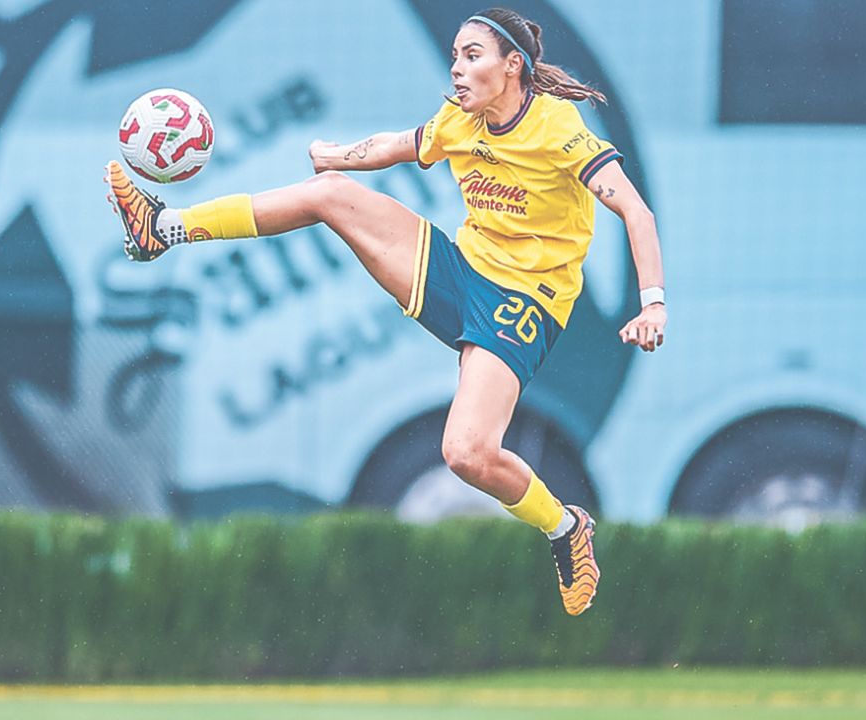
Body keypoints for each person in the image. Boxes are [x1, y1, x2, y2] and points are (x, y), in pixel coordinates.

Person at [106, 7, 666, 616]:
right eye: (453, 55)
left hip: (524, 302)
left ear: (514, 67)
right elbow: (397, 147)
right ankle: (163, 227)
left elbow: (637, 212)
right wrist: (337, 156)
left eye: (471, 56)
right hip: (460, 272)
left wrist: (652, 305)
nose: (456, 67)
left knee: (467, 453)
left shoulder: (559, 128)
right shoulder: (460, 119)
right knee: (328, 196)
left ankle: (565, 529)